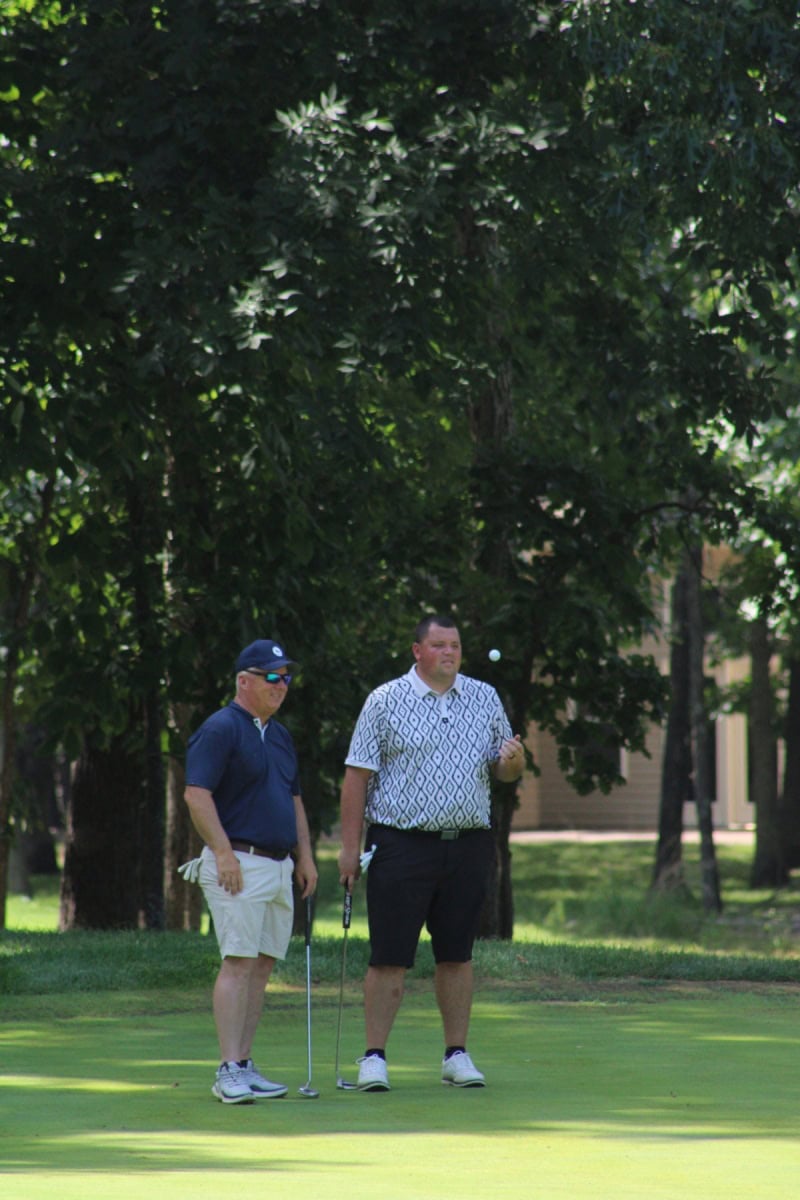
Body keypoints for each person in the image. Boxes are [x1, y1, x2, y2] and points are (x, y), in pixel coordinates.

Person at [337, 614, 525, 1092]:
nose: (449, 653)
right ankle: (374, 1058)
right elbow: (357, 776)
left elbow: (504, 771)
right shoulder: (384, 700)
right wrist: (349, 849)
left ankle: (456, 1054)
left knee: (457, 955)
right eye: (439, 645)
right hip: (400, 844)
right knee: (388, 957)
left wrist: (513, 762)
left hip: (467, 844)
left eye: (455, 645)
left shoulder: (484, 697)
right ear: (417, 651)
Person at [183, 638, 318, 1104]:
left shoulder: (279, 735)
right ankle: (227, 1069)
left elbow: (294, 800)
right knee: (239, 963)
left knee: (261, 966)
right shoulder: (220, 728)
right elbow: (196, 795)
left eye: (287, 677)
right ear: (244, 681)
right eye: (272, 677)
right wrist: (222, 853)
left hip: (279, 864)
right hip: (238, 862)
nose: (282, 685)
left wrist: (305, 856)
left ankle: (243, 1062)